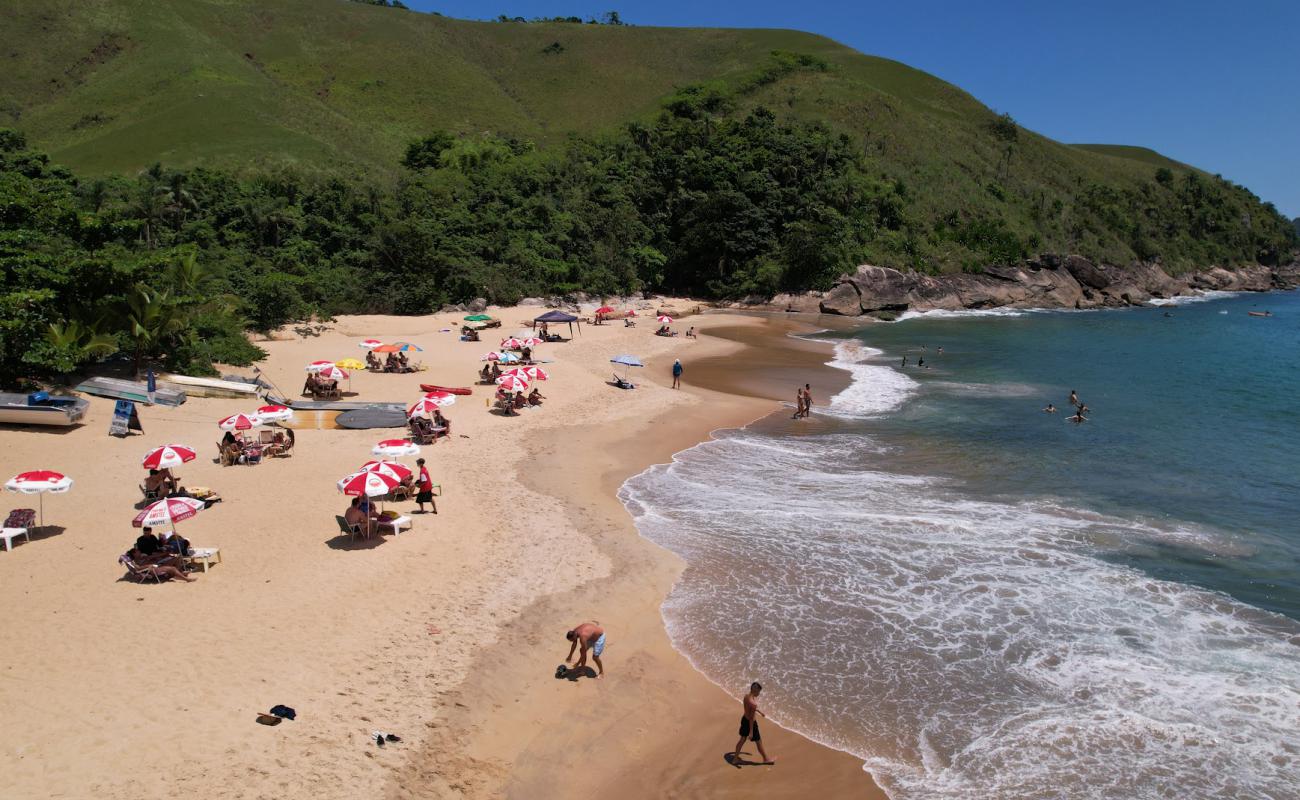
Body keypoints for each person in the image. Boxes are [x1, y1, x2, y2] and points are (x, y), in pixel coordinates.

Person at [732, 682, 773, 764]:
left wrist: (760, 712)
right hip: (751, 724)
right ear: (755, 690)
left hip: (744, 719)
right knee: (758, 741)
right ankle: (766, 759)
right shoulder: (753, 703)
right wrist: (751, 732)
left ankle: (735, 759)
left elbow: (750, 708)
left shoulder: (747, 696)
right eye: (759, 692)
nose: (759, 693)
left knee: (742, 740)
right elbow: (751, 717)